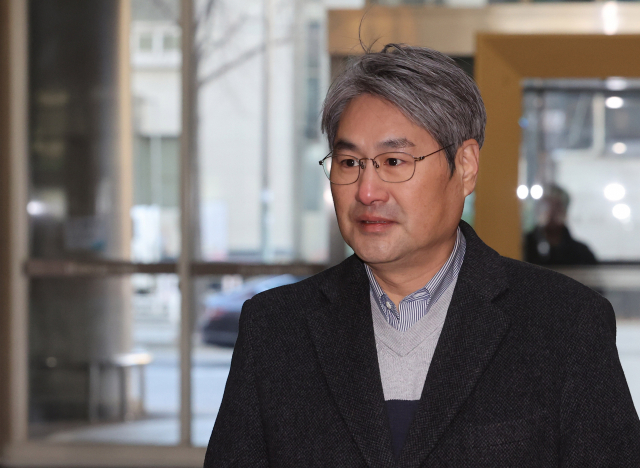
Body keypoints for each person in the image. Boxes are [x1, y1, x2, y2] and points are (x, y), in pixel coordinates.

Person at [204, 45, 640, 467]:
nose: (367, 192)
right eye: (349, 162)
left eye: (394, 161)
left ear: (465, 166)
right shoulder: (275, 330)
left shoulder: (565, 324)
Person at [524, 183, 597, 266]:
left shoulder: (582, 254)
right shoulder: (522, 247)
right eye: (546, 205)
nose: (551, 211)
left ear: (565, 211)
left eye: (557, 206)